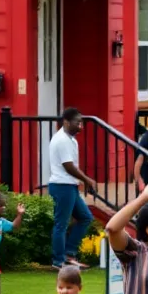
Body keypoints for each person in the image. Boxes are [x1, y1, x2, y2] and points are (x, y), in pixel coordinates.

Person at [48, 108, 97, 270]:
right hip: (61, 185)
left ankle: (69, 255)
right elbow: (68, 166)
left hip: (70, 185)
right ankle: (58, 261)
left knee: (85, 217)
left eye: (81, 122)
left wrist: (82, 181)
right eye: (78, 122)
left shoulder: (71, 139)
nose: (81, 126)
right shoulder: (61, 140)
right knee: (61, 224)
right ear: (66, 122)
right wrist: (87, 179)